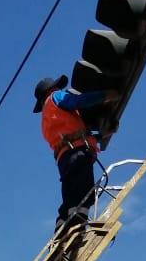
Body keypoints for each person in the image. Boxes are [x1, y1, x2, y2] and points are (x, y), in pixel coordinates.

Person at [33, 75, 120, 230]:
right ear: (52, 89)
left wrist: (101, 135)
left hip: (64, 158)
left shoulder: (46, 119)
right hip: (77, 152)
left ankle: (62, 224)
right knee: (83, 190)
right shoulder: (56, 97)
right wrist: (105, 96)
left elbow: (70, 134)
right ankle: (77, 224)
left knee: (70, 192)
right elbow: (76, 101)